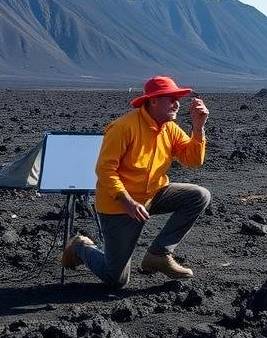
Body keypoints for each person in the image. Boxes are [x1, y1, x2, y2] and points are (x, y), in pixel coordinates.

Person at [61, 75, 211, 287]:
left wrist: (198, 127)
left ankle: (159, 254)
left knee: (199, 196)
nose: (177, 104)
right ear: (152, 101)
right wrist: (126, 201)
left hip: (153, 195)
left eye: (178, 99)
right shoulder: (123, 127)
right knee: (116, 279)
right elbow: (105, 170)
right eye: (171, 98)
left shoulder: (169, 128)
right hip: (119, 205)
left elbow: (193, 160)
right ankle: (80, 247)